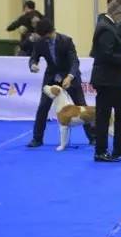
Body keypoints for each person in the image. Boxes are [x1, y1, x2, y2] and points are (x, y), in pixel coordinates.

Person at [26, 19, 94, 148]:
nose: (46, 39)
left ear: (52, 31)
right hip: (51, 78)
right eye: (43, 37)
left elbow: (74, 61)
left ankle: (93, 137)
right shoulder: (40, 42)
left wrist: (70, 76)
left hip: (69, 77)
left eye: (47, 36)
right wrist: (33, 65)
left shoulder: (66, 41)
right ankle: (37, 138)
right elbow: (34, 57)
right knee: (43, 107)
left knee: (81, 106)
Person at [90, 0, 121, 162]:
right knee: (104, 116)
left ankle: (118, 148)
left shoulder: (107, 25)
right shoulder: (106, 28)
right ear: (118, 12)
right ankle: (101, 151)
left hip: (112, 80)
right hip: (107, 80)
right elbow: (106, 55)